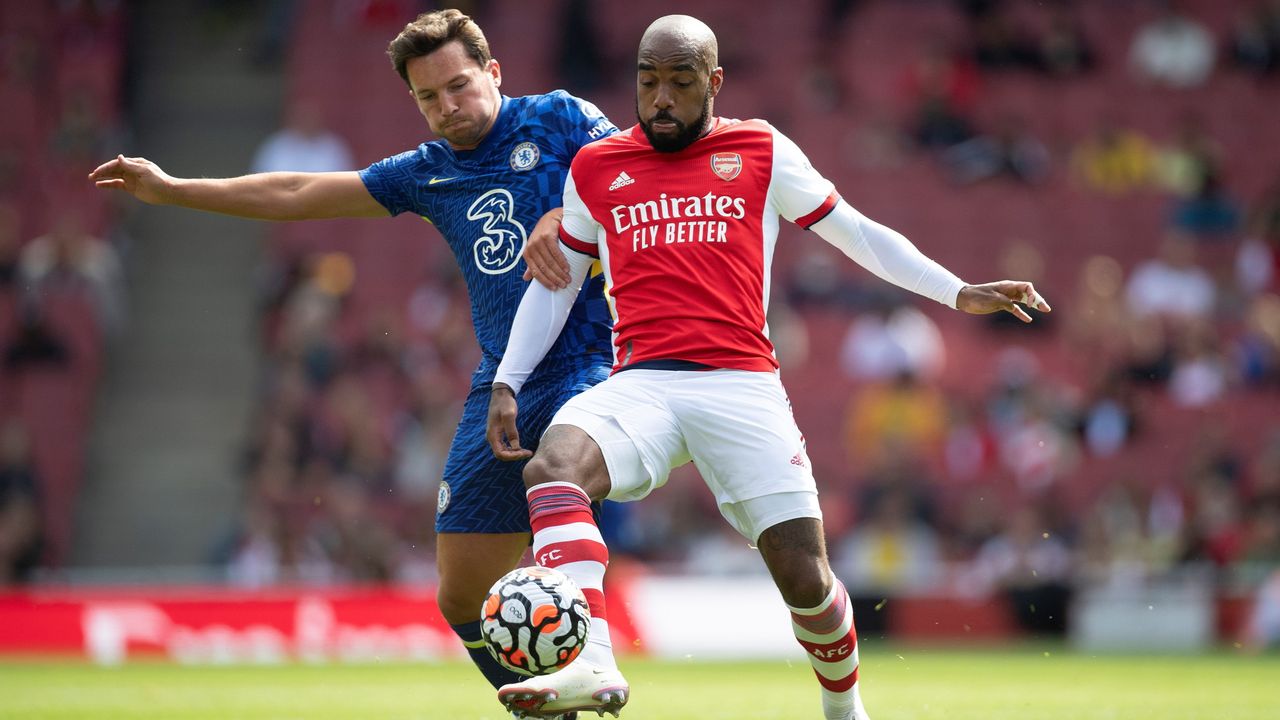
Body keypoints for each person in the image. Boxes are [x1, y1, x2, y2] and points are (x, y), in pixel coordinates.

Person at [487, 14, 1050, 720]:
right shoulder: (597, 167)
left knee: (805, 580)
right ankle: (593, 660)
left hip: (740, 383)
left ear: (714, 83)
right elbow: (559, 283)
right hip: (641, 382)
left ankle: (845, 710)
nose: (660, 98)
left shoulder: (759, 149)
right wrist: (508, 379)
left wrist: (957, 290)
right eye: (648, 81)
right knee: (553, 467)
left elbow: (858, 233)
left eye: (680, 82)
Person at [89, 9, 616, 713]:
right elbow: (297, 192)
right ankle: (557, 711)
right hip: (503, 387)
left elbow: (642, 176)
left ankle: (597, 657)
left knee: (558, 479)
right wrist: (176, 189)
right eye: (428, 98)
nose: (447, 107)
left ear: (493, 73)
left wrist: (569, 215)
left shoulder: (560, 118)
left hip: (595, 363)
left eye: (459, 86)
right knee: (460, 593)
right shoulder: (428, 173)